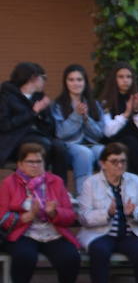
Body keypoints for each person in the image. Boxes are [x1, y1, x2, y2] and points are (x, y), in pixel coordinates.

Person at [0, 142, 80, 283]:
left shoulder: (55, 181)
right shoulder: (9, 184)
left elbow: (70, 215)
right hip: (24, 232)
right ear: (20, 164)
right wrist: (25, 217)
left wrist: (54, 213)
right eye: (30, 162)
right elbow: (2, 215)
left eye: (39, 162)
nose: (35, 166)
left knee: (70, 256)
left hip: (51, 231)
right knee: (24, 256)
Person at [76, 142, 138, 283]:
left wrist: (134, 212)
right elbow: (84, 216)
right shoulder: (91, 183)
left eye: (123, 161)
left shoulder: (134, 180)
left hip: (130, 231)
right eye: (114, 161)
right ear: (103, 163)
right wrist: (107, 213)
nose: (119, 165)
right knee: (99, 252)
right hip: (100, 232)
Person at [0, 62, 65, 177]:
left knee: (59, 146)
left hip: (40, 137)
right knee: (41, 146)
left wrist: (43, 115)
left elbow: (50, 129)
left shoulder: (39, 97)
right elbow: (4, 125)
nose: (45, 81)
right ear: (33, 78)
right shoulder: (7, 97)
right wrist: (33, 112)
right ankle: (38, 186)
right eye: (43, 78)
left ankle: (60, 190)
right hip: (15, 140)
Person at [50, 63, 105, 194]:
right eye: (71, 79)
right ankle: (84, 196)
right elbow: (61, 134)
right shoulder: (58, 105)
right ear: (66, 83)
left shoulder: (94, 104)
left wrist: (86, 118)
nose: (76, 83)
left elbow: (99, 135)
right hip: (70, 146)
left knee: (105, 152)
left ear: (85, 82)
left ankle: (107, 196)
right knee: (84, 153)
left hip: (92, 144)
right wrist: (76, 115)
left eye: (79, 79)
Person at [98, 62, 138, 176]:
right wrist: (126, 114)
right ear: (114, 79)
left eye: (128, 77)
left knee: (133, 143)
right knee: (129, 142)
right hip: (116, 142)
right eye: (121, 77)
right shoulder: (106, 101)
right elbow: (108, 131)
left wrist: (136, 111)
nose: (125, 80)